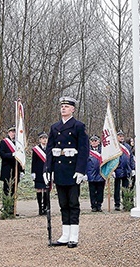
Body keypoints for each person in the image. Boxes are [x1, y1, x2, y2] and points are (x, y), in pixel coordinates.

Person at [44, 96, 89, 248]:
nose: (63, 108)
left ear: (73, 109)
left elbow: (84, 150)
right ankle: (65, 234)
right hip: (59, 169)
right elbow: (49, 149)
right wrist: (47, 169)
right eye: (62, 106)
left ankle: (74, 235)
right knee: (63, 203)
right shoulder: (54, 127)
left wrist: (81, 170)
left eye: (67, 106)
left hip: (73, 169)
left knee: (73, 203)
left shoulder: (78, 126)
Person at [0, 126, 22, 215]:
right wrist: (12, 154)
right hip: (7, 168)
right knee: (6, 189)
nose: (13, 134)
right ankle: (6, 208)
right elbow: (2, 154)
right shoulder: (4, 142)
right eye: (12, 132)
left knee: (14, 190)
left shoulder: (19, 144)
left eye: (15, 132)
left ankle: (13, 209)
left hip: (16, 169)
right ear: (8, 133)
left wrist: (22, 170)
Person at [113, 130, 133, 211]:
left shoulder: (127, 146)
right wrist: (112, 170)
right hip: (117, 169)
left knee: (125, 188)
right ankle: (117, 204)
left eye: (122, 136)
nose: (121, 137)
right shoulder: (114, 146)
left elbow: (131, 158)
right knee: (117, 189)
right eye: (119, 136)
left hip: (126, 170)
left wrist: (133, 168)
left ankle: (125, 203)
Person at [31, 131, 49, 215]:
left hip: (46, 172)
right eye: (42, 138)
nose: (44, 140)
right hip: (38, 171)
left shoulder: (49, 149)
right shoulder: (36, 149)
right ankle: (40, 208)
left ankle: (45, 207)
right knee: (39, 190)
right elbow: (33, 162)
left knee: (46, 189)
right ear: (39, 140)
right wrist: (33, 172)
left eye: (45, 138)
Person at [86, 135, 104, 212]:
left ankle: (99, 205)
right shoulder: (87, 151)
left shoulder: (103, 150)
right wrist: (84, 173)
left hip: (101, 173)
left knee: (100, 191)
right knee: (92, 191)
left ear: (99, 142)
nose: (94, 142)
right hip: (91, 173)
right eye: (92, 141)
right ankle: (93, 205)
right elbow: (84, 162)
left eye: (95, 141)